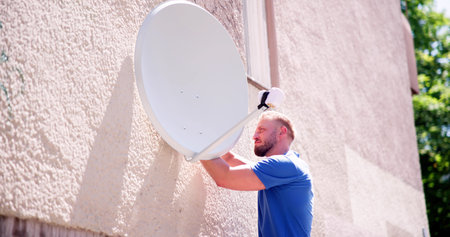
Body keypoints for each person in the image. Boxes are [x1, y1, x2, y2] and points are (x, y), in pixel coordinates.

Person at [200, 111, 314, 237]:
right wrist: (207, 133)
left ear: (281, 131)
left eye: (261, 130)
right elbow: (230, 159)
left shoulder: (286, 165)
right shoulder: (287, 166)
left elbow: (224, 177)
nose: (254, 136)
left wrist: (196, 142)